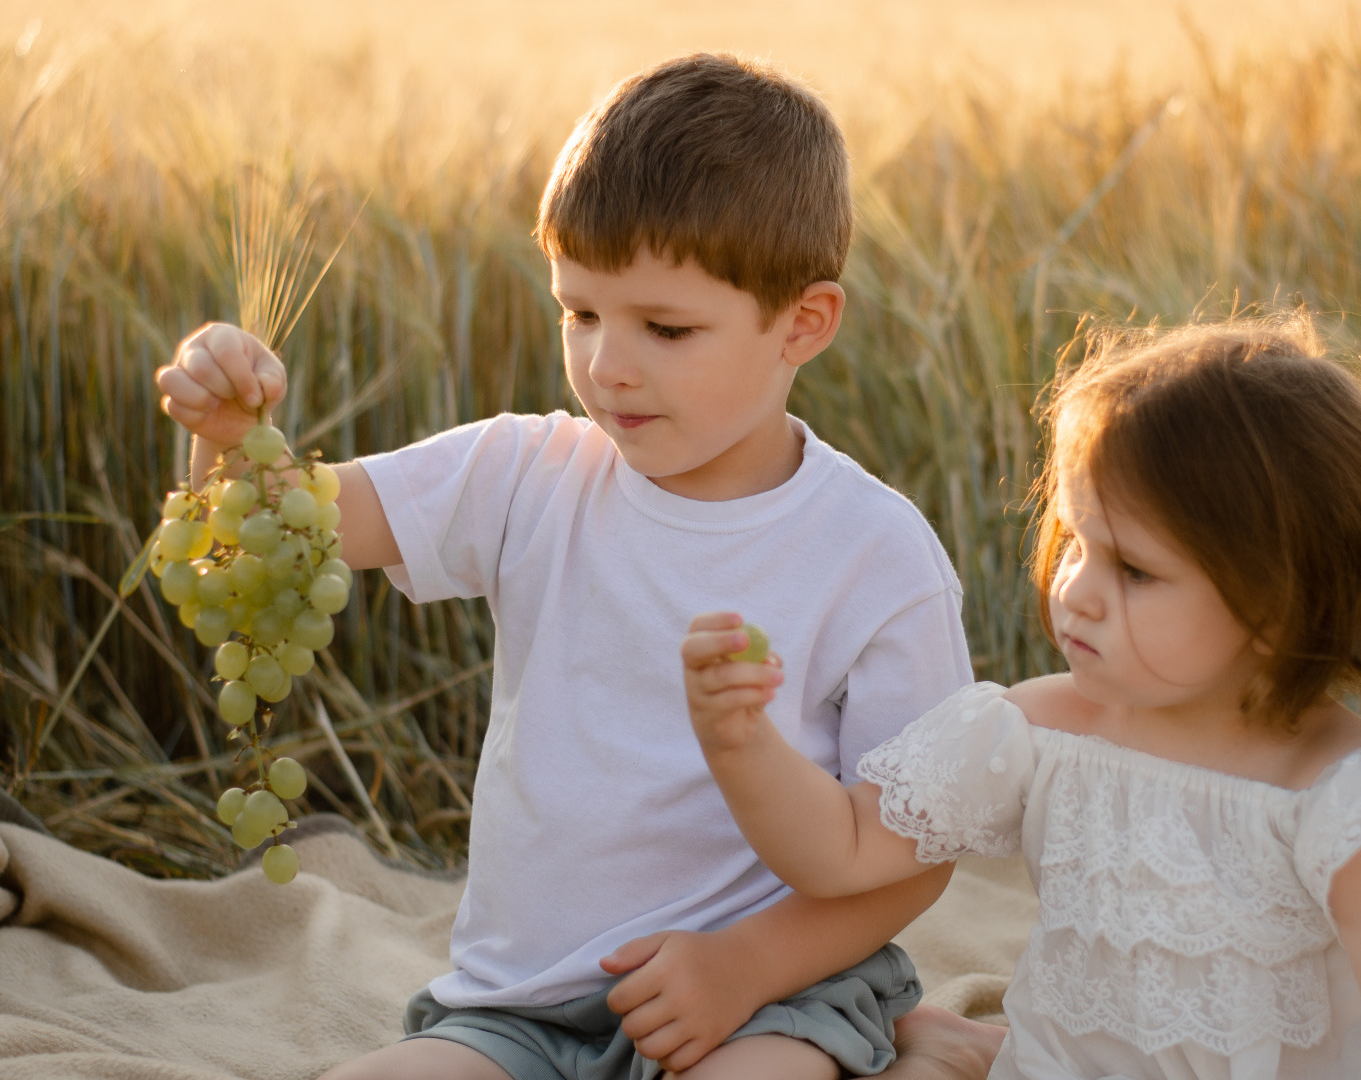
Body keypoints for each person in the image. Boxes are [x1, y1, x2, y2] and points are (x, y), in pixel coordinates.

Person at [155, 53, 978, 1080]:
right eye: (579, 313)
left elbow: (913, 851)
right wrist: (225, 432)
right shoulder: (525, 473)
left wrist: (744, 966)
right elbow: (258, 546)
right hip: (524, 1006)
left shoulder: (874, 553)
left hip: (769, 996)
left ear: (801, 324)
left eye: (664, 328)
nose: (607, 365)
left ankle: (887, 1037)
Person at [682, 316, 1361, 1080]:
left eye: (1133, 569)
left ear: (1277, 606)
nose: (1077, 587)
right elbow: (841, 849)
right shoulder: (1039, 730)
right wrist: (741, 741)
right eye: (1078, 540)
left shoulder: (1351, 800)